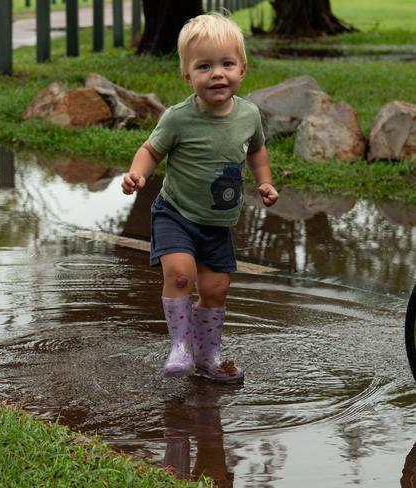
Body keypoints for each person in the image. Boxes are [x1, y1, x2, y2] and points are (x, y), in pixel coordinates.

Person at [121, 12, 278, 382]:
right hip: (176, 213)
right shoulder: (178, 118)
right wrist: (138, 174)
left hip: (218, 222)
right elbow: (151, 149)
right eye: (204, 66)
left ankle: (208, 358)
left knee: (216, 288)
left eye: (226, 64)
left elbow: (256, 150)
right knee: (180, 276)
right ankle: (180, 347)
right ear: (187, 76)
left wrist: (264, 182)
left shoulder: (248, 115)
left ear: (243, 69)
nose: (217, 74)